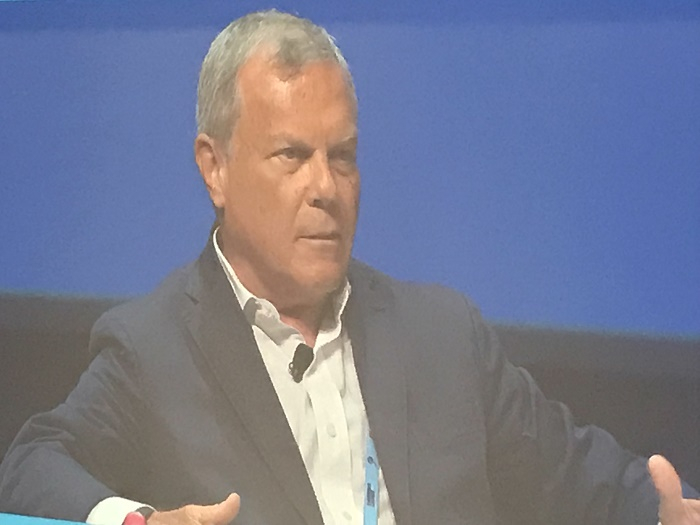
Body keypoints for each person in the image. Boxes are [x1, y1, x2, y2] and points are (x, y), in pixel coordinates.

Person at [0, 9, 698, 525]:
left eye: (342, 157)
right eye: (291, 156)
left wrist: (664, 510)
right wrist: (137, 521)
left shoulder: (443, 336)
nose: (325, 187)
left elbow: (595, 485)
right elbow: (31, 464)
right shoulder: (153, 350)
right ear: (215, 168)